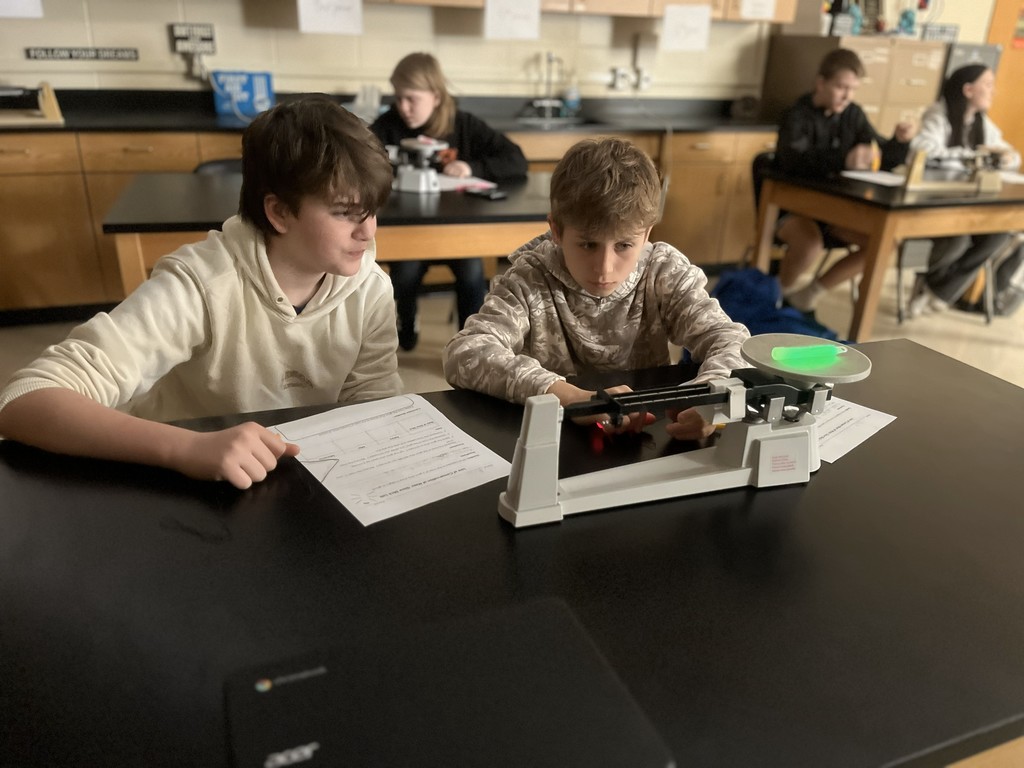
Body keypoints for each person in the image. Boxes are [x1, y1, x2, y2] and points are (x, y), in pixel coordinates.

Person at [0, 96, 402, 490]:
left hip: (287, 484)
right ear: (279, 212)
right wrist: (188, 447)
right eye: (345, 212)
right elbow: (24, 398)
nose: (368, 232)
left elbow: (374, 403)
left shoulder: (370, 289)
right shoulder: (202, 283)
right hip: (178, 484)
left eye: (372, 211)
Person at [443, 138, 750, 441]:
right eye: (588, 244)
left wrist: (711, 399)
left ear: (646, 235)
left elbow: (732, 341)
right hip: (554, 440)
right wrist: (568, 397)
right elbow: (465, 353)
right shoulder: (529, 278)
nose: (604, 268)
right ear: (557, 231)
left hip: (644, 436)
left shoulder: (663, 271)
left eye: (624, 245)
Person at [371, 52, 528, 351]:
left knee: (472, 274)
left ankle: (470, 343)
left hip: (458, 230)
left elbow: (516, 159)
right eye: (398, 98)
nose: (403, 107)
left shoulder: (463, 125)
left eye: (412, 99)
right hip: (410, 232)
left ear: (436, 96)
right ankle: (407, 323)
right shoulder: (388, 125)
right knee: (404, 275)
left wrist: (472, 168)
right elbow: (359, 161)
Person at [773, 48, 913, 312]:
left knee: (883, 244)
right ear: (821, 83)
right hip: (794, 206)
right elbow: (795, 161)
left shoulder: (853, 114)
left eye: (853, 89)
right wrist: (843, 160)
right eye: (841, 87)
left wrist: (899, 142)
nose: (847, 96)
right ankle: (777, 299)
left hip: (835, 209)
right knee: (810, 244)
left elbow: (880, 156)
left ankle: (808, 295)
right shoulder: (796, 115)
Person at [906, 64, 1021, 318]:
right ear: (968, 90)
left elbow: (1012, 156)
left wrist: (1004, 157)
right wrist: (973, 156)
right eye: (988, 85)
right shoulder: (939, 115)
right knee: (956, 241)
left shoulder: (981, 122)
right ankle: (937, 289)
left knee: (999, 234)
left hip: (969, 204)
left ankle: (939, 292)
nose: (993, 91)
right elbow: (924, 150)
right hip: (935, 203)